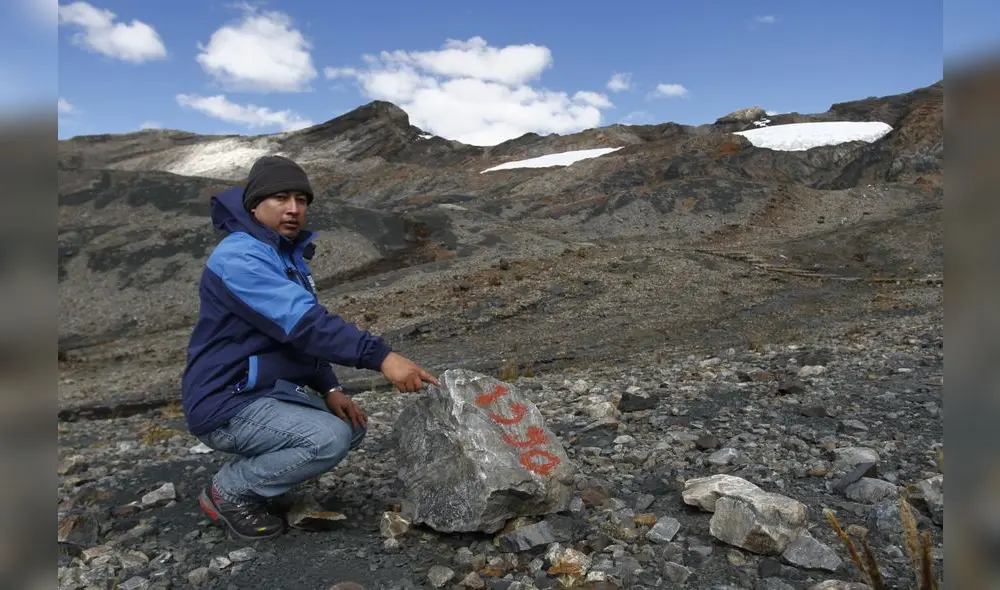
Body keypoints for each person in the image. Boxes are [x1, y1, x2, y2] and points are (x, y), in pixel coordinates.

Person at [180, 154, 439, 540]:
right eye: (280, 198)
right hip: (226, 399)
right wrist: (382, 357)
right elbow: (304, 325)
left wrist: (330, 387)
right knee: (327, 438)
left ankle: (265, 476)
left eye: (301, 200)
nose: (293, 209)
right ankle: (229, 491)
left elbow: (294, 336)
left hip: (259, 391)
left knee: (350, 426)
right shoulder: (239, 257)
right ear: (254, 206)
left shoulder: (281, 255)